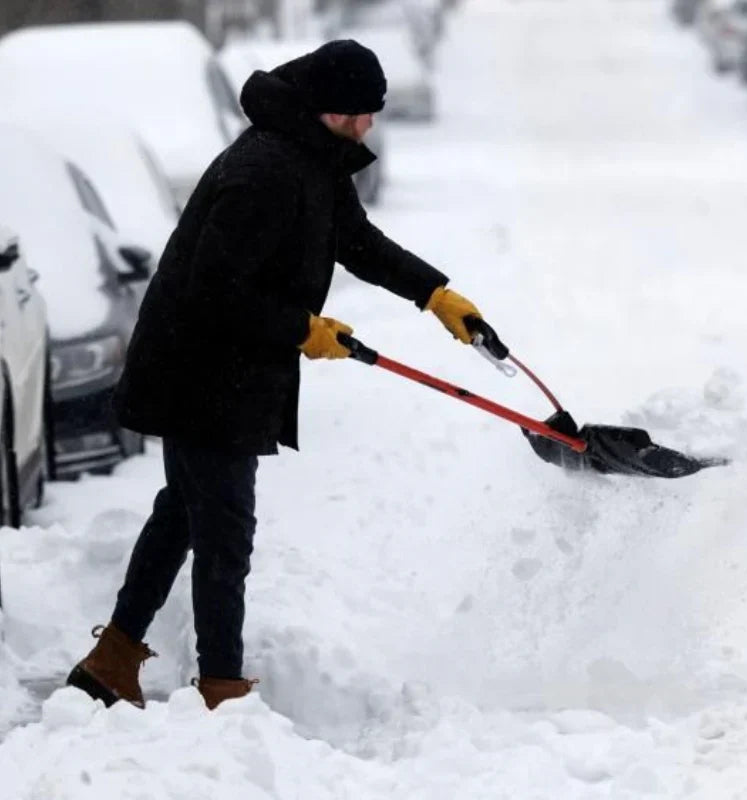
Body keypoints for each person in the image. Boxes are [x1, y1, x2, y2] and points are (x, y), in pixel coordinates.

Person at [65, 40, 484, 711]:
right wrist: (303, 329)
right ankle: (220, 691)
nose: (369, 125)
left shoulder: (313, 160)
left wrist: (435, 295)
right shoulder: (263, 170)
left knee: (184, 514)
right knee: (225, 529)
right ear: (326, 109)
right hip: (198, 371)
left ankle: (111, 660)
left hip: (221, 370)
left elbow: (358, 241)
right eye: (358, 113)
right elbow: (214, 288)